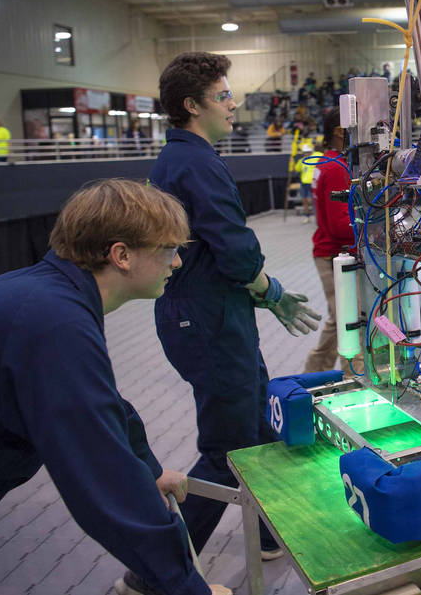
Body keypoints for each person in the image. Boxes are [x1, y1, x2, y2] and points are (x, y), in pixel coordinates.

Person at [0, 179, 231, 595]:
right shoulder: (52, 324)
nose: (178, 262)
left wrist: (149, 468)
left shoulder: (47, 295)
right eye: (168, 249)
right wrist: (187, 588)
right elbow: (104, 481)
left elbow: (99, 403)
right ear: (121, 255)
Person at [148, 52, 321, 579]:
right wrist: (270, 290)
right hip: (206, 318)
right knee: (228, 444)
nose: (234, 104)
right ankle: (160, 570)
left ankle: (272, 531)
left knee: (257, 419)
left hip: (213, 312)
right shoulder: (195, 162)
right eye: (223, 96)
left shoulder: (182, 158)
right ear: (191, 105)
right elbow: (234, 249)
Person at [303, 107, 360, 374]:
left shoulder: (326, 161)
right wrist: (374, 228)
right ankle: (355, 381)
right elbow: (340, 226)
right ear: (339, 131)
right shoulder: (337, 168)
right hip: (335, 254)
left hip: (328, 252)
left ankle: (313, 377)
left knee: (340, 320)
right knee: (349, 322)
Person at [294, 142, 316, 223]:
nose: (306, 153)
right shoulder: (301, 160)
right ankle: (307, 216)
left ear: (310, 152)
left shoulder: (314, 159)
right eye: (305, 152)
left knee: (310, 200)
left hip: (312, 183)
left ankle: (316, 215)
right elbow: (297, 169)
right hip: (304, 183)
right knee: (304, 201)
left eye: (308, 152)